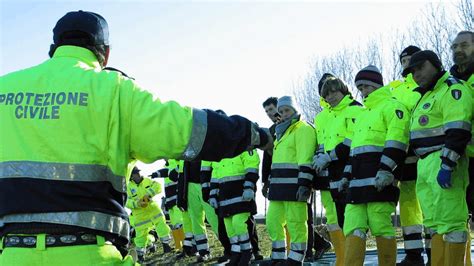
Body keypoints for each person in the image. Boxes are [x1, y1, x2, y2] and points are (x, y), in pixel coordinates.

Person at [0, 10, 272, 265]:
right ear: (105, 54)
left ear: (54, 47)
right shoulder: (114, 91)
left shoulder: (5, 89)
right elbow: (188, 129)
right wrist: (255, 135)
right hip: (90, 252)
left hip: (9, 254)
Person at [404, 50, 472, 265]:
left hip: (443, 161)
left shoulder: (452, 89)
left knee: (452, 223)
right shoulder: (425, 95)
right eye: (412, 71)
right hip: (424, 165)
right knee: (434, 223)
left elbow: (459, 129)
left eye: (420, 68)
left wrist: (448, 163)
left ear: (435, 64)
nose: (416, 74)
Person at [341, 65, 410, 265]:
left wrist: (387, 170)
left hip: (380, 179)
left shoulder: (392, 107)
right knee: (352, 227)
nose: (362, 91)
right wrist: (346, 175)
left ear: (376, 85)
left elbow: (397, 141)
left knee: (380, 225)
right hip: (357, 183)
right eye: (359, 87)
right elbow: (353, 151)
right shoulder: (362, 114)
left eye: (365, 86)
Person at [313, 75, 363, 266]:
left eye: (334, 91)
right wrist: (320, 156)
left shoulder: (355, 110)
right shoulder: (326, 116)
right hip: (332, 171)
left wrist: (329, 156)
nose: (331, 96)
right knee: (340, 218)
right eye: (326, 94)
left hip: (352, 168)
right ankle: (344, 261)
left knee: (354, 219)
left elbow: (352, 140)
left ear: (343, 89)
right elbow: (323, 142)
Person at [266, 96, 316, 265]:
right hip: (278, 188)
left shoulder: (303, 129)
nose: (284, 114)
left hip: (294, 186)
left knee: (296, 224)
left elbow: (306, 158)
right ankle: (278, 257)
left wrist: (305, 184)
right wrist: (269, 182)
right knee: (272, 222)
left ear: (294, 110)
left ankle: (296, 258)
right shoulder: (280, 132)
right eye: (281, 111)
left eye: (287, 110)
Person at [389, 45, 426, 266]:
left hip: (428, 153)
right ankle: (413, 254)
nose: (407, 65)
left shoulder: (427, 84)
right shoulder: (396, 89)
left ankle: (434, 251)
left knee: (430, 203)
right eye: (403, 61)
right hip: (405, 156)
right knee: (409, 204)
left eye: (410, 60)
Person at [209, 149, 260, 265]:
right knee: (230, 228)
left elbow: (252, 165)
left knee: (238, 223)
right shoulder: (219, 151)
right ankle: (236, 254)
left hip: (241, 196)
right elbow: (215, 174)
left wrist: (249, 187)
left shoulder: (244, 145)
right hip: (225, 198)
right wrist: (212, 194)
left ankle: (247, 253)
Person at [450, 30, 474, 266]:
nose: (458, 50)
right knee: (461, 218)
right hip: (462, 162)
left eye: (464, 45)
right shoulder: (451, 85)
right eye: (454, 46)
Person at [126, 167, 172, 262]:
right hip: (140, 215)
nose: (138, 174)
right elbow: (127, 202)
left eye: (138, 172)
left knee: (161, 226)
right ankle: (140, 255)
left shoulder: (147, 180)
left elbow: (158, 186)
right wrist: (137, 203)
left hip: (153, 209)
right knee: (140, 235)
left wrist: (148, 195)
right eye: (135, 173)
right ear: (131, 176)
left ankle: (166, 245)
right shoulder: (128, 187)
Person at [151, 159, 185, 251]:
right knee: (174, 225)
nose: (164, 158)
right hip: (170, 201)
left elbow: (166, 172)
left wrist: (156, 173)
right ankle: (179, 246)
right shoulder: (167, 166)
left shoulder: (175, 163)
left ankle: (186, 245)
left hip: (177, 199)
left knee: (180, 223)